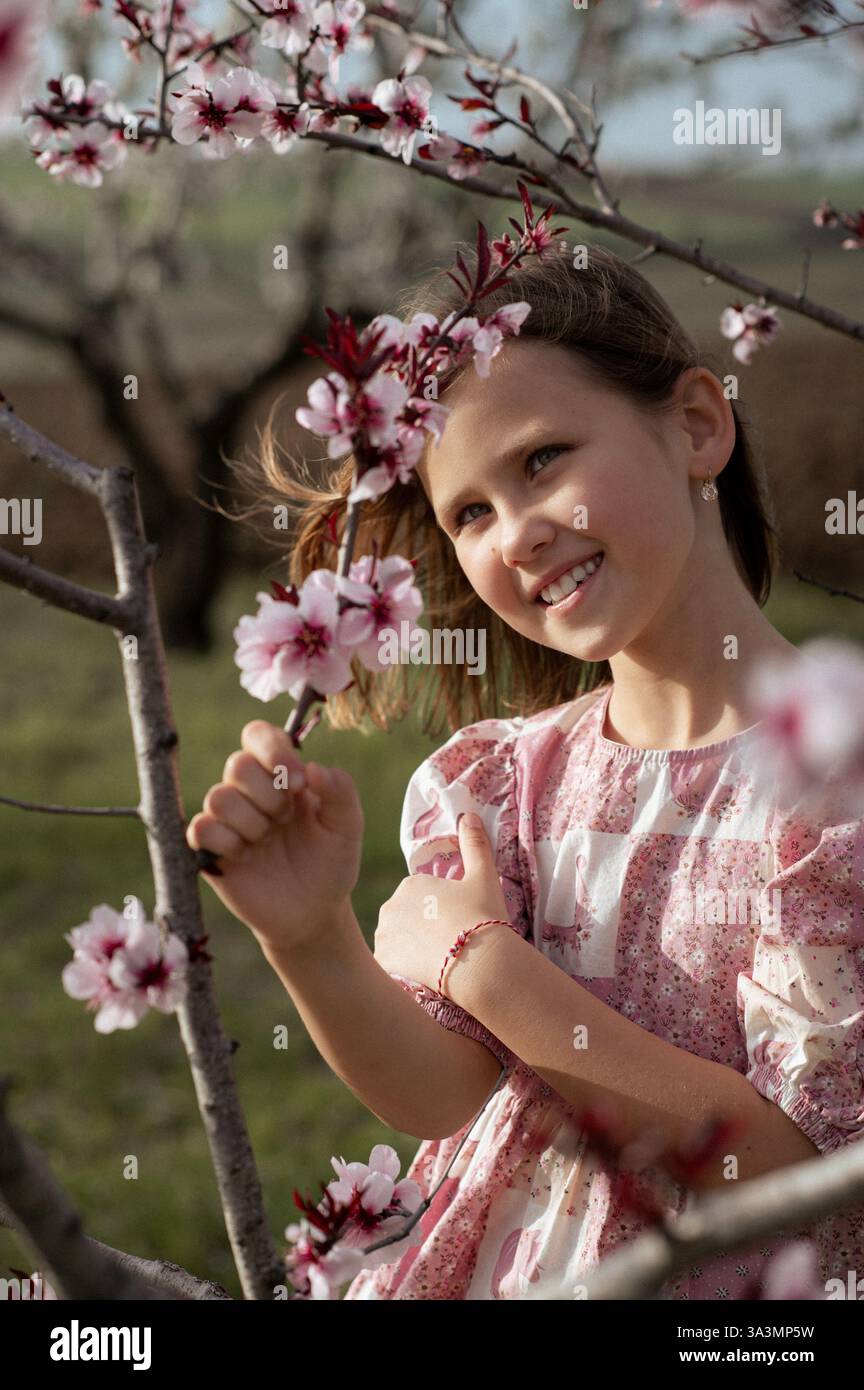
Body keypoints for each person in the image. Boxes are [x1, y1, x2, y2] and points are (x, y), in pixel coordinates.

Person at [186, 243, 864, 1300]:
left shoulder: (831, 783)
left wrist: (484, 963)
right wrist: (309, 936)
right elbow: (450, 1094)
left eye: (545, 459)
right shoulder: (504, 784)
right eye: (470, 512)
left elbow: (787, 1171)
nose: (519, 534)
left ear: (698, 424)